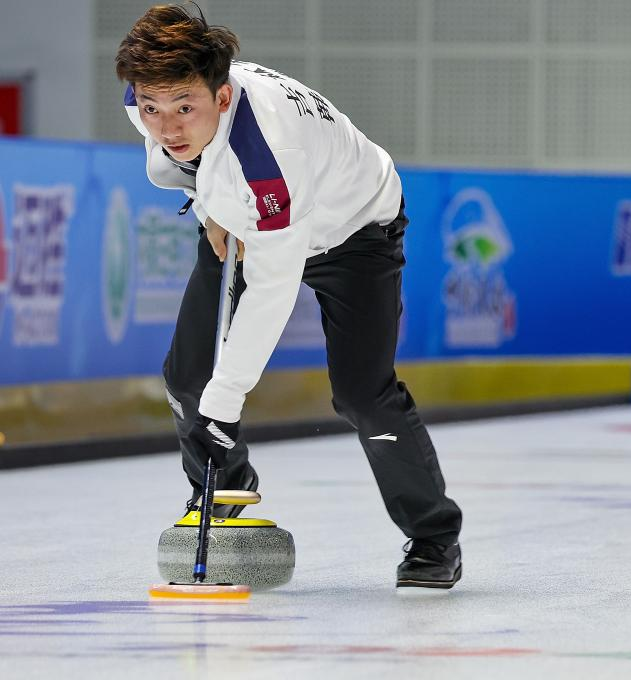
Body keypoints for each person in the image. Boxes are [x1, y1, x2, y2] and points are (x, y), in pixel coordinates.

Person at [115, 3, 463, 589]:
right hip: (249, 218)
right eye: (152, 108)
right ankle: (225, 494)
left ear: (222, 96)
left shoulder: (268, 154)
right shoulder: (148, 100)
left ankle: (434, 538)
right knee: (187, 379)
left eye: (184, 108)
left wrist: (226, 401)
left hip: (355, 228)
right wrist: (207, 207)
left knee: (363, 394)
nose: (167, 126)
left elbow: (272, 290)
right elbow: (187, 157)